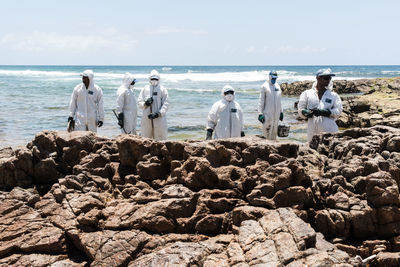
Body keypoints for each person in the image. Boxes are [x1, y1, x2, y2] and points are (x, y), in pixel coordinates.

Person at [298, 68, 343, 142]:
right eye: (326, 78)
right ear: (318, 78)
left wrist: (326, 112)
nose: (328, 80)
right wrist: (305, 112)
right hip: (312, 130)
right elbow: (300, 109)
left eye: (330, 78)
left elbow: (338, 111)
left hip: (329, 130)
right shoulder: (307, 94)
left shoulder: (333, 95)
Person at [137, 70, 169, 140]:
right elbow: (139, 102)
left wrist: (158, 114)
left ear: (159, 79)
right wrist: (145, 104)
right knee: (146, 137)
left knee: (160, 138)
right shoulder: (145, 89)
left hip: (159, 119)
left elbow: (166, 104)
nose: (154, 80)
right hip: (147, 118)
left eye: (156, 79)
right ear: (149, 79)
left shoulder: (163, 90)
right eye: (152, 79)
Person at [257, 70, 283, 140]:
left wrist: (281, 112)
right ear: (269, 77)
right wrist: (260, 113)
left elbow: (279, 101)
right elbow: (261, 101)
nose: (274, 79)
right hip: (267, 115)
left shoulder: (277, 86)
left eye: (275, 78)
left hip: (276, 115)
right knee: (267, 135)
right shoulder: (264, 86)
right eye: (273, 78)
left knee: (274, 135)